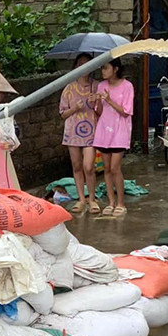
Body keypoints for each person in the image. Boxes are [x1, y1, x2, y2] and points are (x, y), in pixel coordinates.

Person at [59, 54, 100, 215]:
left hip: (91, 131)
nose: (84, 67)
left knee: (88, 166)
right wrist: (74, 108)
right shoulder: (69, 88)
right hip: (72, 132)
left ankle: (92, 199)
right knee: (76, 166)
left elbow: (101, 111)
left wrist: (96, 101)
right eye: (80, 64)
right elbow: (63, 114)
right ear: (75, 66)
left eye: (87, 64)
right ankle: (81, 199)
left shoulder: (96, 86)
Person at [92, 57, 134, 217]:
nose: (103, 71)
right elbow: (99, 112)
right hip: (104, 131)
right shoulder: (101, 86)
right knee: (107, 168)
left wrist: (109, 100)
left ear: (115, 69)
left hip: (119, 131)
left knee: (115, 168)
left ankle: (121, 203)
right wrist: (98, 101)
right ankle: (111, 202)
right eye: (102, 68)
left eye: (105, 68)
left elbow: (126, 112)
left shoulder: (127, 86)